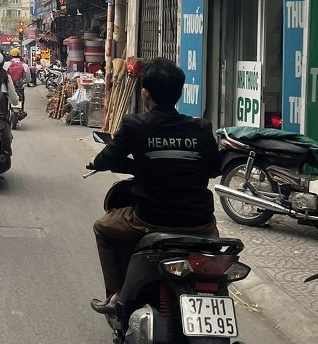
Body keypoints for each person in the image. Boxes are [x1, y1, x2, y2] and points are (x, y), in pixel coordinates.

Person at [87, 57, 221, 315]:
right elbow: (214, 169)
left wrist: (96, 162)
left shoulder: (135, 124)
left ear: (145, 93)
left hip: (150, 219)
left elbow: (109, 158)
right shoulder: (201, 127)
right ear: (179, 93)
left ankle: (116, 294)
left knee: (102, 227)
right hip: (201, 222)